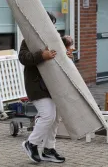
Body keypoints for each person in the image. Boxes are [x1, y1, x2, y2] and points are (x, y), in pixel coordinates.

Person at [19, 12, 72, 163]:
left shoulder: (55, 41)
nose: (53, 28)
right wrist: (42, 55)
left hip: (52, 86)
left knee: (55, 118)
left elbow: (61, 58)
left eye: (54, 25)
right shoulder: (29, 40)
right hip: (36, 86)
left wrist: (67, 56)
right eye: (50, 24)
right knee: (47, 115)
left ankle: (49, 149)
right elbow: (23, 58)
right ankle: (31, 144)